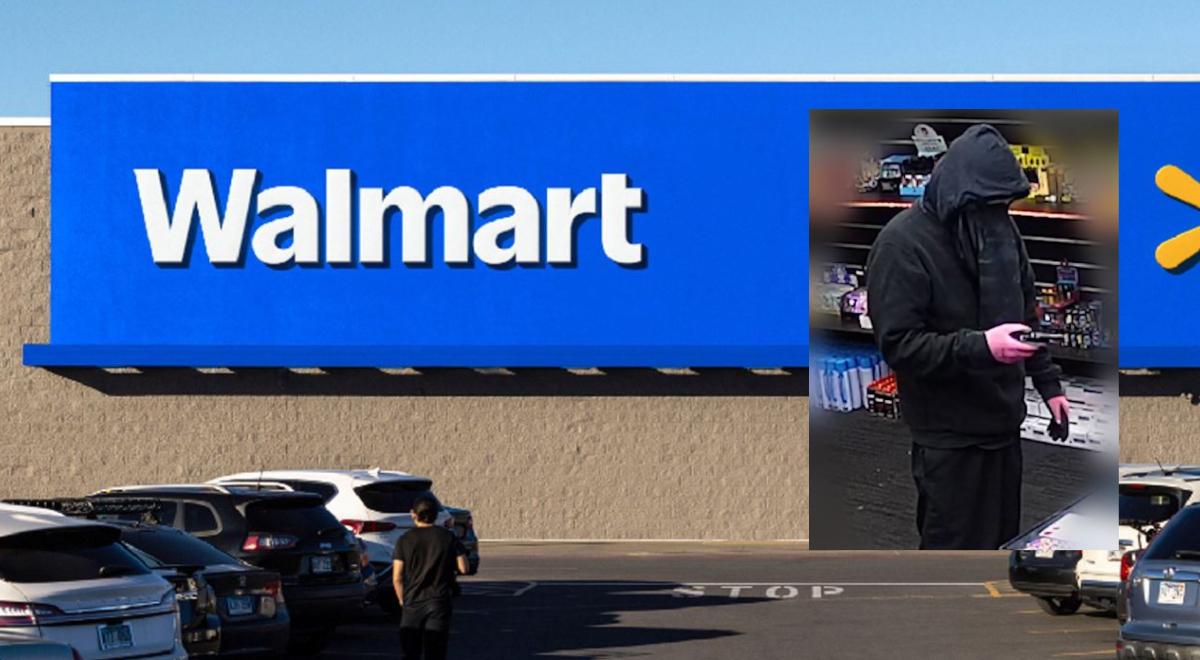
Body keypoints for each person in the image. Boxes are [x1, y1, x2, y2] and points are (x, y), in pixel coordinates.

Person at [865, 124, 1070, 550]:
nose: (996, 215)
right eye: (987, 205)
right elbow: (900, 345)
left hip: (1003, 425)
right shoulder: (901, 246)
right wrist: (983, 346)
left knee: (1003, 545)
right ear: (960, 195)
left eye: (1002, 205)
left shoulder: (999, 228)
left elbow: (1025, 308)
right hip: (948, 436)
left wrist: (1049, 384)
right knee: (952, 554)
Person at [392, 496, 470, 660]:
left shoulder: (405, 539)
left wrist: (402, 599)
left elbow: (397, 577)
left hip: (413, 601)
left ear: (413, 514)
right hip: (439, 601)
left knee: (411, 652)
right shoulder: (448, 537)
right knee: (435, 652)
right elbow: (464, 568)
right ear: (435, 515)